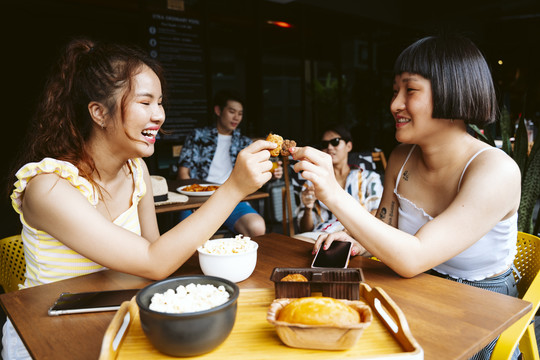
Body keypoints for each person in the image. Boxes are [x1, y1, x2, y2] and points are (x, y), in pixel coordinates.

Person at [3, 38, 277, 359]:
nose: (159, 114)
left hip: (119, 320)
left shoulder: (138, 172)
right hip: (47, 334)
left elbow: (156, 258)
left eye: (160, 102)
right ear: (99, 113)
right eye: (145, 102)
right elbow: (154, 261)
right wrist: (233, 189)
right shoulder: (48, 187)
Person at [291, 35, 521, 359]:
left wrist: (333, 194)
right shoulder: (400, 158)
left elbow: (413, 257)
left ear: (451, 92)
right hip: (418, 287)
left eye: (409, 90)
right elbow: (388, 224)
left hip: (480, 303)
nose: (395, 104)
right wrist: (358, 237)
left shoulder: (496, 171)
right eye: (395, 90)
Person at [177, 89, 282, 237]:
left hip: (232, 197)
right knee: (185, 234)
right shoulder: (197, 136)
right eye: (232, 111)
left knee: (256, 227)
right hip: (198, 198)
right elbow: (182, 173)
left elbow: (254, 175)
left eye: (240, 113)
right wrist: (195, 201)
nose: (236, 117)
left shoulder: (244, 143)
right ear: (218, 110)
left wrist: (273, 173)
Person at [296, 124, 383, 240]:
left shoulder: (370, 178)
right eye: (324, 145)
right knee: (294, 243)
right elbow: (304, 229)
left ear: (349, 146)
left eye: (335, 142)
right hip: (320, 236)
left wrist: (350, 231)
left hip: (359, 236)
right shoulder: (312, 182)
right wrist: (308, 208)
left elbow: (380, 213)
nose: (330, 148)